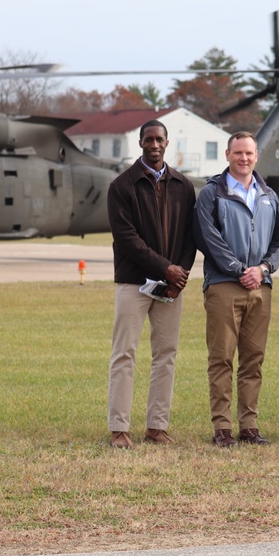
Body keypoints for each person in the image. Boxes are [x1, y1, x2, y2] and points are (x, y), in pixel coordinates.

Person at [194, 131, 279, 447]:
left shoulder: (268, 196)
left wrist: (263, 269)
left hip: (261, 287)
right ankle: (222, 427)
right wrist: (238, 271)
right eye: (238, 153)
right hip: (224, 286)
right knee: (221, 358)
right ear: (227, 154)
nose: (243, 158)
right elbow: (208, 238)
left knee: (253, 359)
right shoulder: (212, 194)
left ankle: (249, 425)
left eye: (249, 153)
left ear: (256, 156)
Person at [106, 120, 197, 449]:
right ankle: (119, 428)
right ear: (140, 142)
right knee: (124, 354)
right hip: (134, 283)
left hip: (172, 287)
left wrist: (180, 276)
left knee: (166, 355)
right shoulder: (122, 186)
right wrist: (165, 268)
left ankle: (157, 427)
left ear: (167, 142)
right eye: (148, 139)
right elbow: (127, 239)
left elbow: (191, 236)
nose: (154, 144)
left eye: (159, 139)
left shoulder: (183, 185)